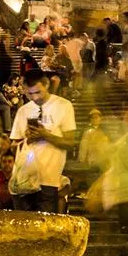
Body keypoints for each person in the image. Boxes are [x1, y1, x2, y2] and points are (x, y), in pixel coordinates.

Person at [6, 75, 76, 213]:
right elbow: (13, 147)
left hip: (48, 181)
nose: (35, 98)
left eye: (38, 92)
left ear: (47, 85)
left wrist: (46, 135)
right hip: (23, 181)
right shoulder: (23, 110)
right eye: (30, 94)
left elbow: (70, 143)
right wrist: (27, 138)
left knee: (45, 229)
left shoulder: (63, 106)